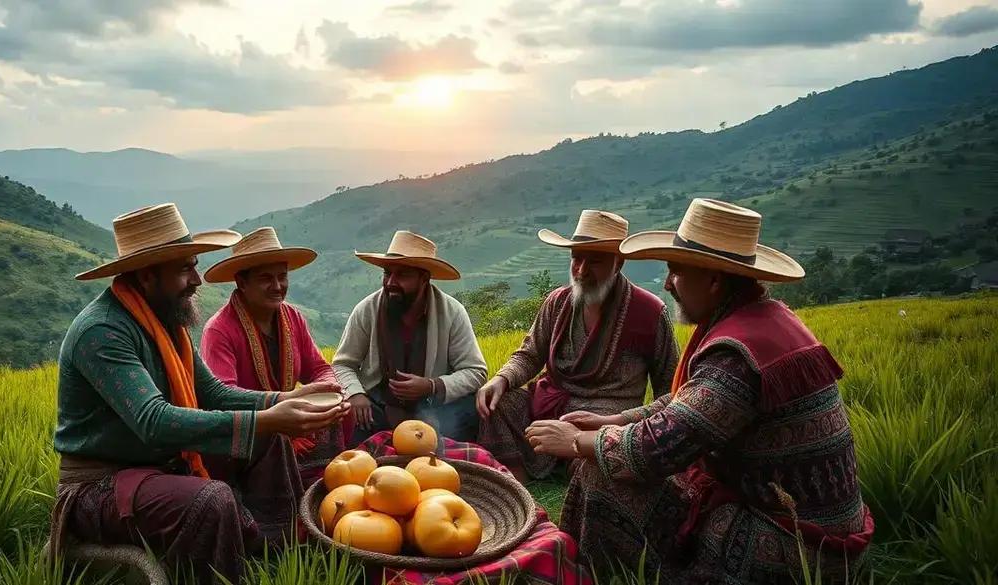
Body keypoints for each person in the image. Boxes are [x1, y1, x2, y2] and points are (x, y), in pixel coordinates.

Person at [529, 199, 873, 583]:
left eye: (676, 271)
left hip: (796, 546)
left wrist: (577, 441)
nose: (667, 283)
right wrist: (615, 420)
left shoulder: (736, 355)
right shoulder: (764, 321)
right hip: (810, 524)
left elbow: (658, 448)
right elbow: (686, 407)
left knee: (602, 474)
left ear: (713, 280)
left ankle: (600, 574)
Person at [49, 204, 348, 583]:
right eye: (185, 268)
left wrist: (282, 402)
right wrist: (266, 417)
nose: (197, 279)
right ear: (146, 275)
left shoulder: (165, 321)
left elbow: (212, 393)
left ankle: (274, 552)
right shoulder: (104, 332)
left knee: (270, 439)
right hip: (102, 485)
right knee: (212, 501)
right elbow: (153, 421)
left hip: (162, 463)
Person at [475, 210, 679, 481]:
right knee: (497, 404)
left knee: (599, 453)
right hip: (550, 402)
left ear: (618, 263)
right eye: (577, 258)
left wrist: (622, 420)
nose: (582, 270)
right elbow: (529, 354)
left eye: (594, 261)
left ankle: (569, 466)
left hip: (605, 416)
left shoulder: (650, 312)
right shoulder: (557, 302)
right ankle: (514, 477)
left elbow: (674, 390)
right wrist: (500, 380)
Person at [200, 226, 352, 486]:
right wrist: (278, 409)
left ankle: (325, 480)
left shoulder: (292, 317)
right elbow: (222, 397)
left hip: (291, 416)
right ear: (242, 282)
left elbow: (317, 367)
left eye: (282, 276)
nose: (278, 286)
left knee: (341, 412)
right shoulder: (219, 330)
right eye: (266, 278)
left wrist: (330, 390)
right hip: (255, 426)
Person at [332, 230, 487, 443]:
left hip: (436, 406)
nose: (391, 282)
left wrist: (431, 386)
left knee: (474, 409)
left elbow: (476, 372)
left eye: (402, 275)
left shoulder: (452, 312)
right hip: (379, 406)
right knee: (344, 414)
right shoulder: (367, 309)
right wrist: (356, 394)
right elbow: (343, 365)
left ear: (424, 279)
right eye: (387, 273)